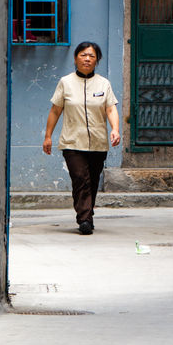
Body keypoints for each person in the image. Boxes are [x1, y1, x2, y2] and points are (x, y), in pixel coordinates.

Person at [43, 41, 120, 235]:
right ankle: (84, 219)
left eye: (91, 56)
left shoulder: (104, 83)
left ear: (97, 60)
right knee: (80, 178)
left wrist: (115, 129)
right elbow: (55, 110)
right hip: (72, 141)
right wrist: (48, 136)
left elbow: (111, 108)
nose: (87, 59)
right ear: (76, 58)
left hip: (98, 142)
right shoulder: (65, 82)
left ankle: (88, 213)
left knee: (92, 180)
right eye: (83, 55)